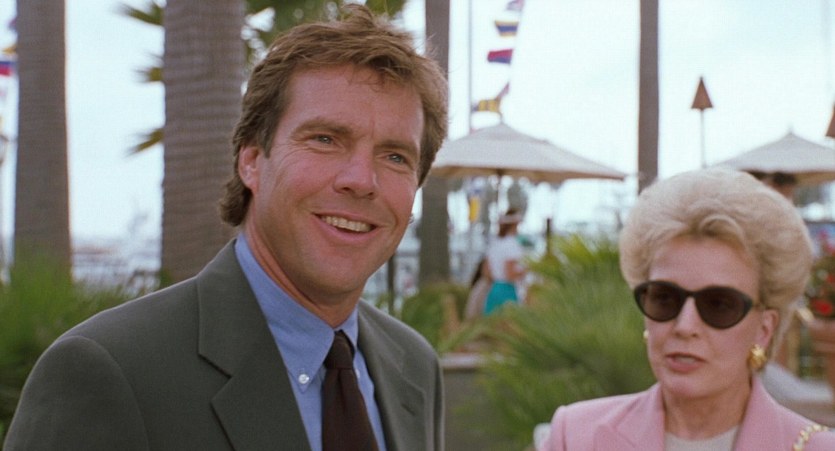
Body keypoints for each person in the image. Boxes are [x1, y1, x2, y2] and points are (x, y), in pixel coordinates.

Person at [4, 5, 448, 451]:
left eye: (395, 157)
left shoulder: (412, 367)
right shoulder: (110, 371)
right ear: (251, 161)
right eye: (325, 139)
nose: (361, 180)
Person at [540, 168, 835, 450]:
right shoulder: (576, 437)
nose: (685, 326)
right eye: (665, 298)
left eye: (718, 305)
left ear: (764, 329)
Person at [483, 208, 527, 315]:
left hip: (493, 290)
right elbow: (510, 274)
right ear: (515, 225)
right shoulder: (512, 245)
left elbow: (486, 272)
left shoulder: (494, 244)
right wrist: (526, 270)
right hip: (508, 292)